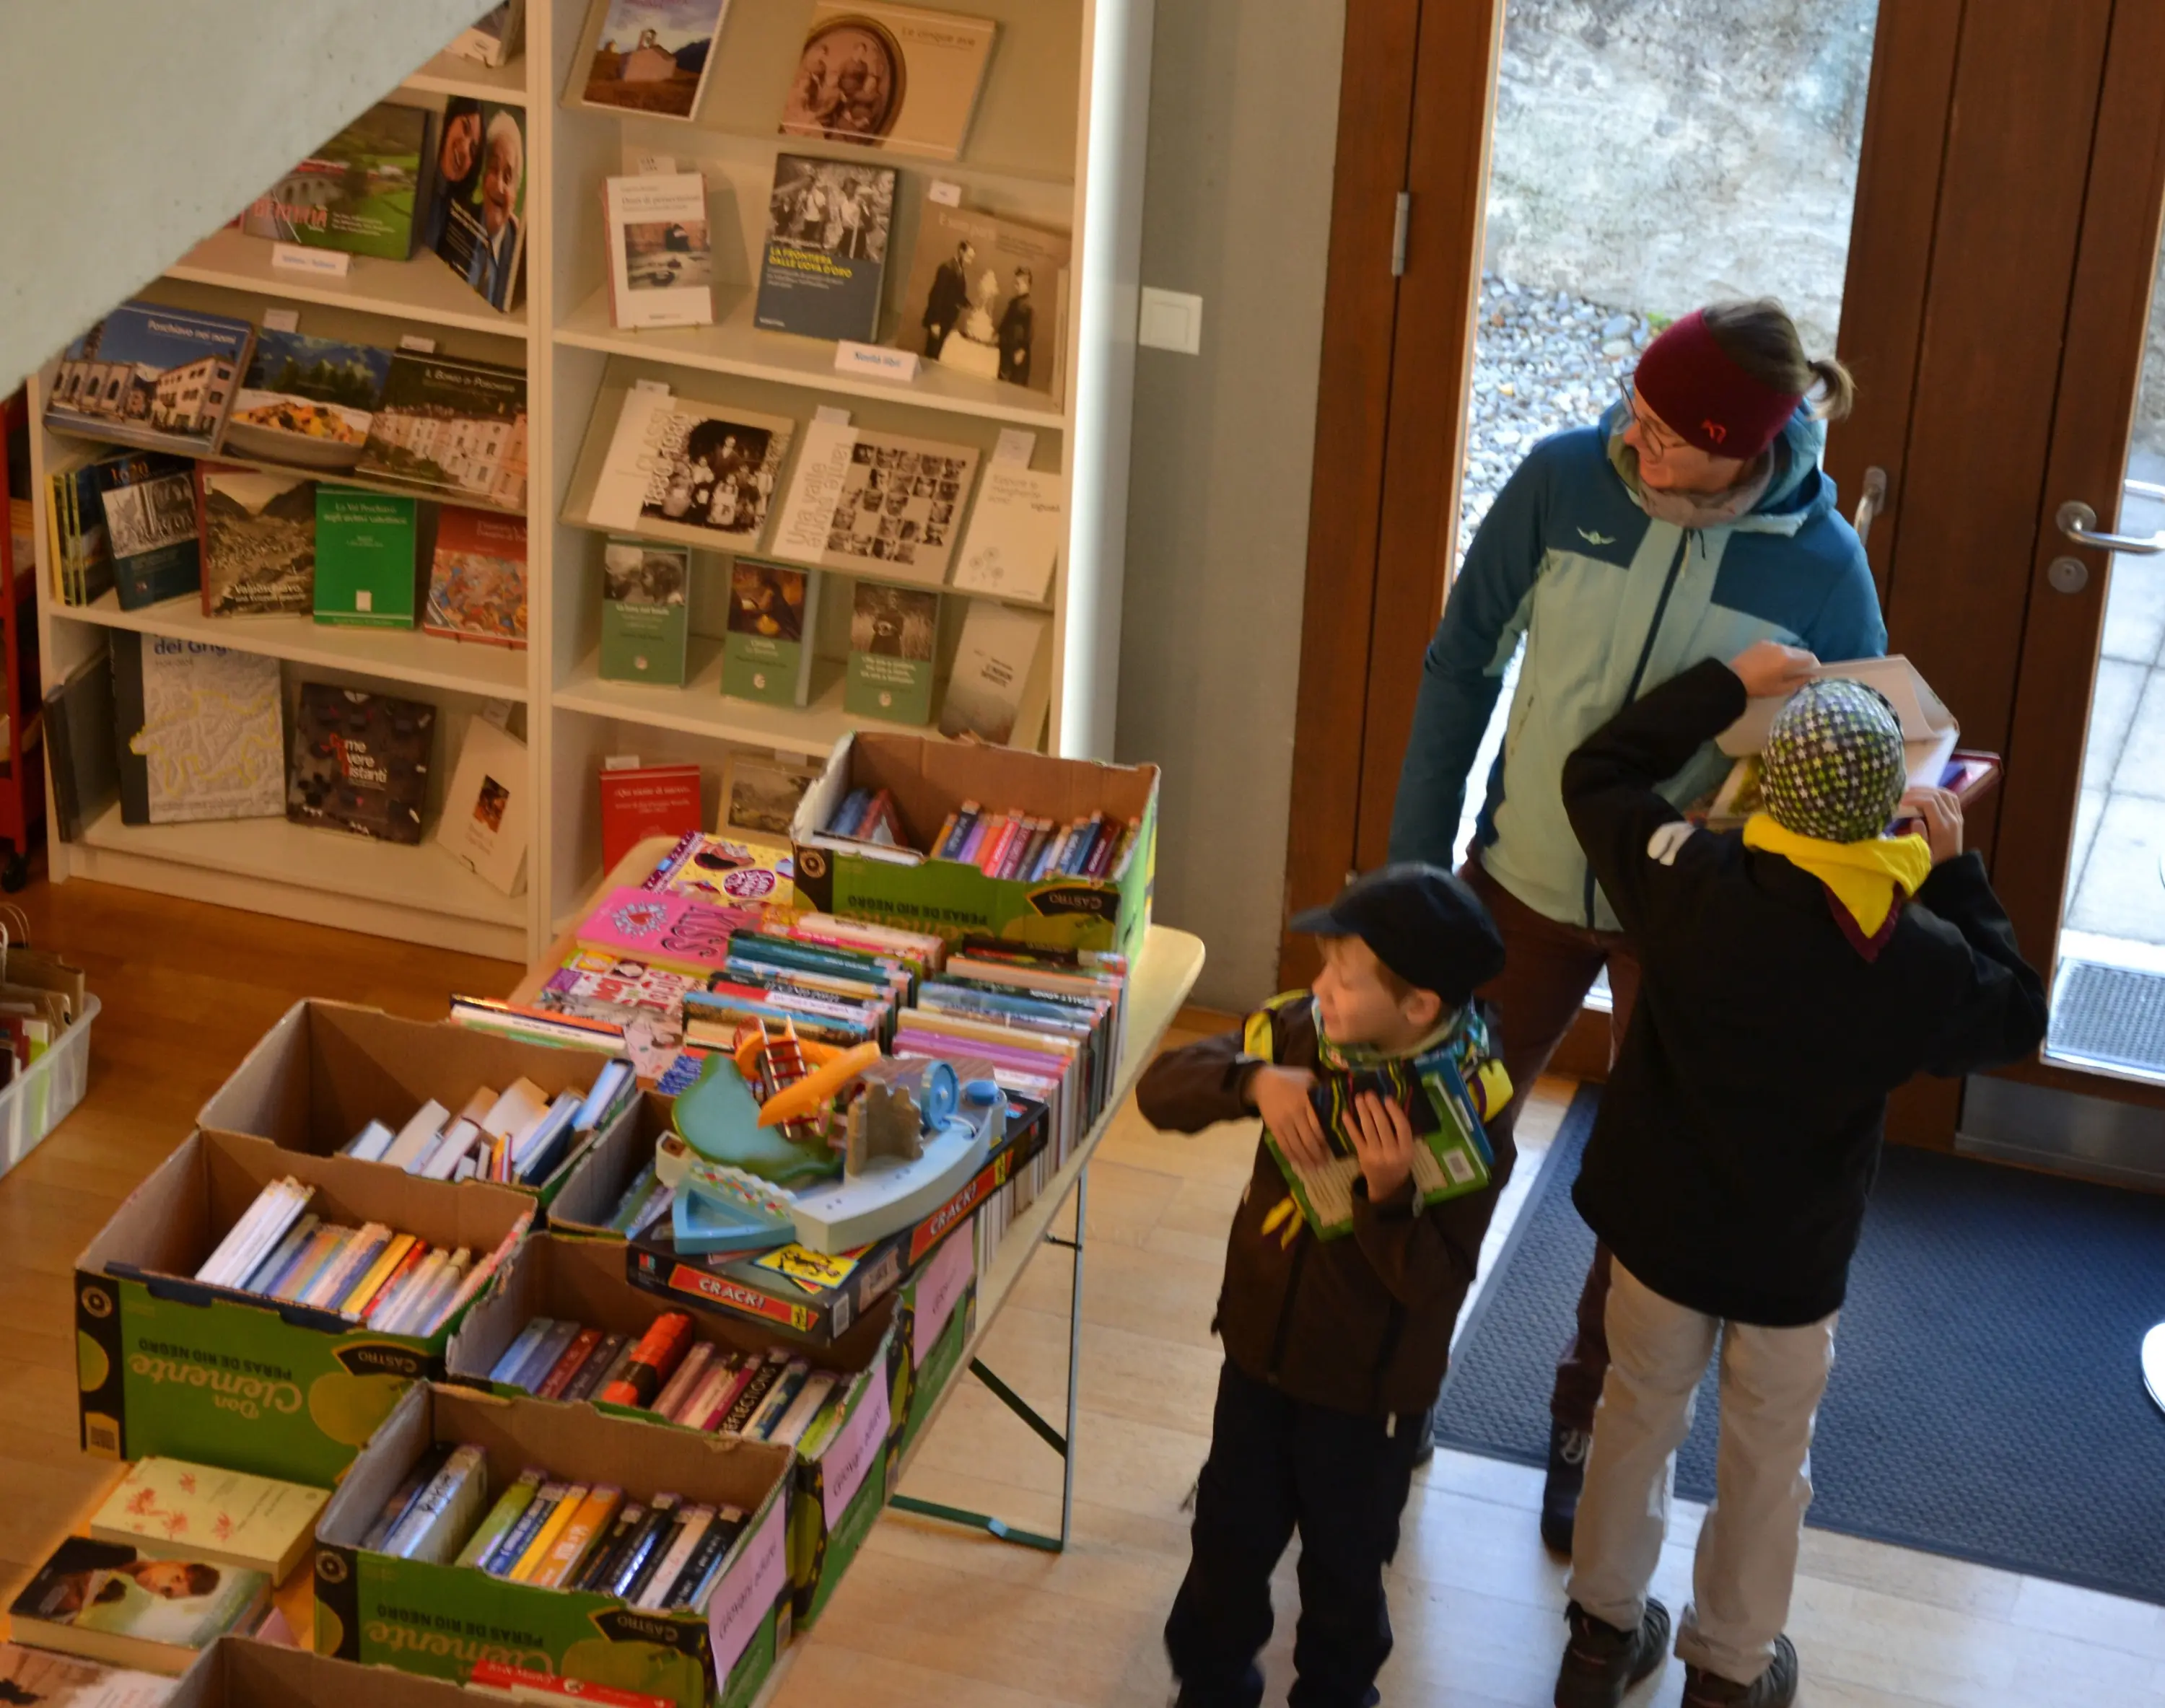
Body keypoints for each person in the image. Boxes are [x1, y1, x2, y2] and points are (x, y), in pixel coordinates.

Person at [1386, 299, 1887, 1550]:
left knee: (1645, 1205)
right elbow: (1462, 665)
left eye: (1670, 437)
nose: (1638, 442)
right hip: (1524, 883)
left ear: (1746, 445)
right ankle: (1392, 1398)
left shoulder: (1822, 566)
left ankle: (1583, 1427)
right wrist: (1411, 871)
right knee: (1440, 1144)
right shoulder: (1566, 479)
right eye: (1637, 413)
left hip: (1697, 921)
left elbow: (1863, 751)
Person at [1546, 647, 2045, 1708]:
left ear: (1767, 792)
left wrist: (1727, 683)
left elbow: (1596, 771)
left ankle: (1599, 1635)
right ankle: (1730, 1667)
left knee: (1636, 1412)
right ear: (1885, 815)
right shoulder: (1914, 954)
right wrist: (1954, 871)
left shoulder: (1689, 879)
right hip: (1793, 1255)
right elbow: (2016, 1015)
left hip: (1659, 1227)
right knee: (1770, 1455)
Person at [1138, 864, 1516, 1708]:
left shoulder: (1471, 1106)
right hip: (1259, 1361)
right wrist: (1250, 1083)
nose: (1319, 988)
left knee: (1345, 1572)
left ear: (1418, 1006)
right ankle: (1210, 1684)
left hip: (1368, 1398)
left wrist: (1387, 1201)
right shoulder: (1296, 1033)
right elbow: (1159, 1094)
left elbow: (1436, 1286)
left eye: (1344, 978)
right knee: (1228, 1544)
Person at [468, 110, 523, 310]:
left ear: (516, 194)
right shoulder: (460, 217)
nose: (500, 186)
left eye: (508, 177)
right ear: (483, 177)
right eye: (493, 169)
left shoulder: (521, 248)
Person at [922, 241, 974, 357]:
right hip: (939, 321)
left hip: (947, 321)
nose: (970, 262)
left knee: (938, 353)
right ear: (961, 251)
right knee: (932, 353)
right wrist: (935, 322)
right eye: (969, 257)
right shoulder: (947, 268)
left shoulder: (959, 270)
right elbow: (936, 295)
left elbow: (956, 294)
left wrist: (969, 305)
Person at [998, 266, 1035, 385]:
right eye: (1015, 283)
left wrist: (1022, 350)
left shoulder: (1029, 306)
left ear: (1027, 285)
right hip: (1007, 349)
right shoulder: (1014, 302)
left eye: (1018, 284)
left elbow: (1030, 331)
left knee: (1015, 385)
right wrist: (998, 334)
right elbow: (1005, 322)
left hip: (1018, 352)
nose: (1015, 286)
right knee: (1003, 382)